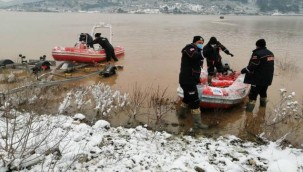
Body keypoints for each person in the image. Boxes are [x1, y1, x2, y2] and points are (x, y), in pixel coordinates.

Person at [178, 35, 208, 130]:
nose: (201, 45)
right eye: (199, 43)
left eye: (202, 43)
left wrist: (197, 80)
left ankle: (181, 115)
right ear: (195, 42)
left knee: (187, 98)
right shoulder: (189, 49)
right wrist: (206, 52)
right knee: (195, 101)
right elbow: (195, 56)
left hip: (190, 80)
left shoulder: (198, 51)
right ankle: (198, 124)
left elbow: (196, 68)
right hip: (187, 80)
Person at [241, 39, 274, 112]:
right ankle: (262, 109)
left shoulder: (257, 54)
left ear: (257, 45)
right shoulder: (271, 53)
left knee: (252, 96)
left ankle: (248, 113)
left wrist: (243, 70)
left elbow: (253, 66)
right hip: (268, 78)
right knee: (263, 93)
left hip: (258, 79)